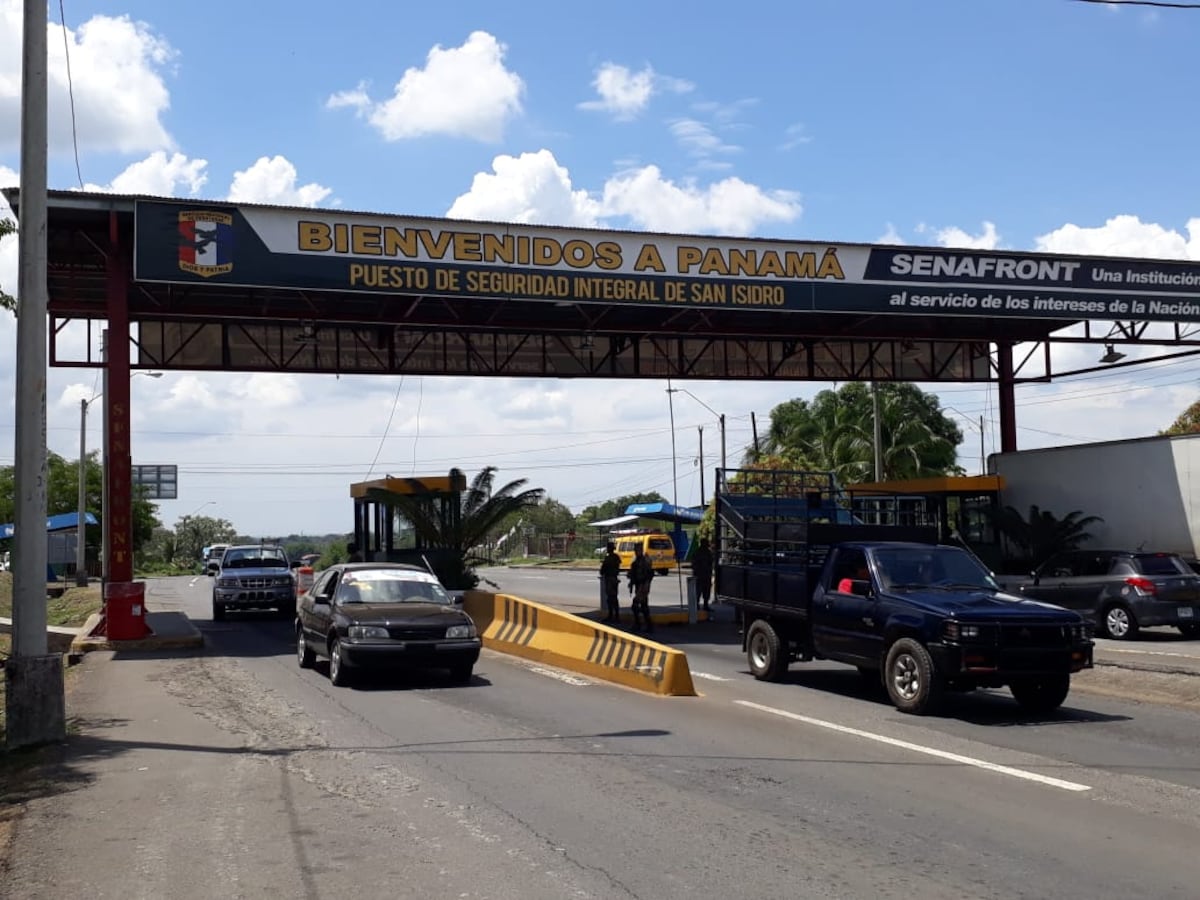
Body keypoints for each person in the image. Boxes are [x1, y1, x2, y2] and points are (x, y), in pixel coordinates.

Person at [627, 544, 655, 632]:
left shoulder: (644, 561)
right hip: (638, 585)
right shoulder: (636, 561)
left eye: (637, 550)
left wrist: (646, 585)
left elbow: (650, 574)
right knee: (643, 606)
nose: (636, 552)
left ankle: (639, 624)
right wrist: (631, 581)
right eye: (635, 550)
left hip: (643, 586)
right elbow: (633, 574)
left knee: (635, 605)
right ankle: (647, 625)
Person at [599, 541, 622, 624]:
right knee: (615, 598)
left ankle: (611, 615)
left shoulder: (608, 558)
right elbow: (618, 566)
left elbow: (602, 571)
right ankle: (616, 616)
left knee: (610, 598)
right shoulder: (616, 557)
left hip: (609, 579)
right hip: (615, 579)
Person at [691, 537, 714, 614]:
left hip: (706, 575)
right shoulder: (698, 553)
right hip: (701, 575)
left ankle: (705, 605)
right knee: (699, 591)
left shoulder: (708, 552)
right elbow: (694, 564)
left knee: (706, 591)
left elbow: (711, 563)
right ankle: (697, 605)